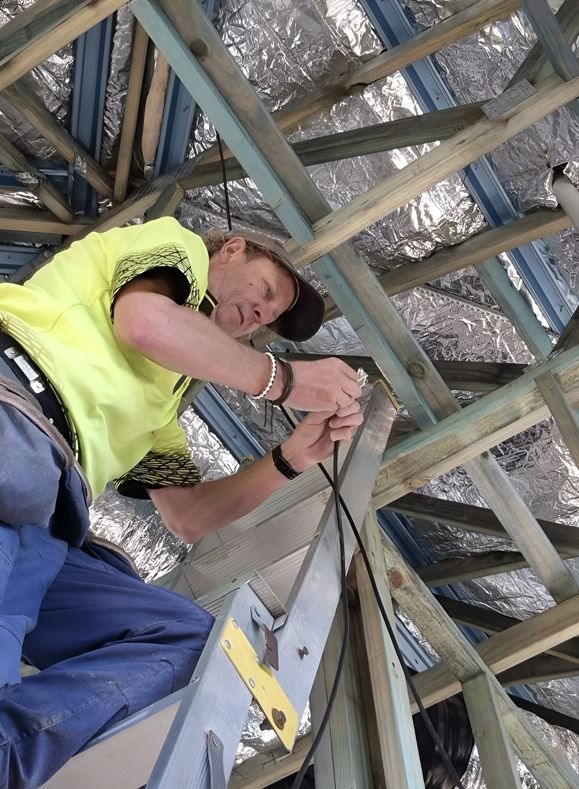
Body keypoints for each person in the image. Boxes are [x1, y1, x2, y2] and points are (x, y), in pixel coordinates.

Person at [0, 216, 363, 787]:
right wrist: (284, 380)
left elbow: (189, 516)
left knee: (193, 642)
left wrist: (291, 458)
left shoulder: (161, 405)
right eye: (264, 291)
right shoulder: (175, 247)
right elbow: (145, 322)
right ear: (233, 251)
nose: (257, 316)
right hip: (15, 406)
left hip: (39, 521)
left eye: (266, 321)